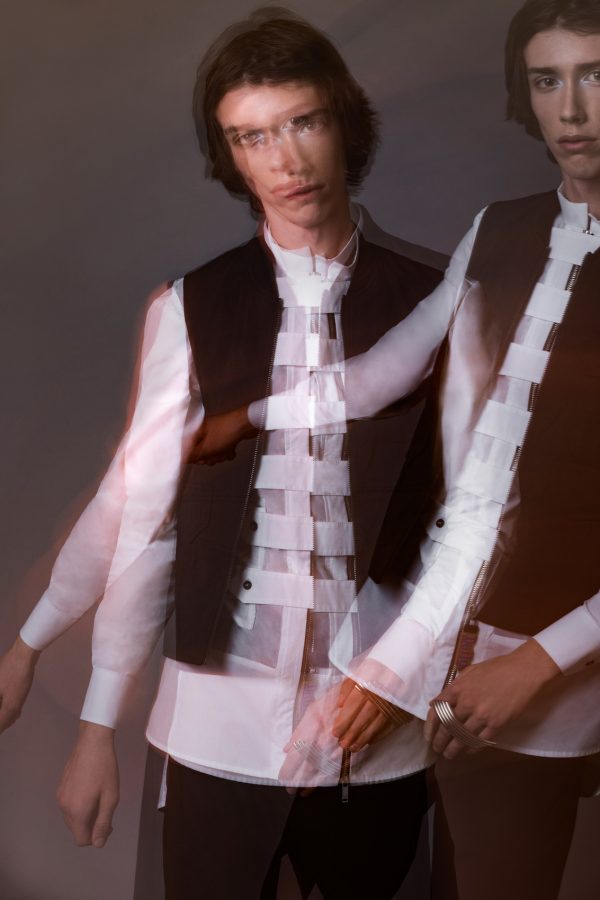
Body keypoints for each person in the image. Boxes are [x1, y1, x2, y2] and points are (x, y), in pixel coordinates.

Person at [0, 10, 444, 899]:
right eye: (253, 137)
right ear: (230, 157)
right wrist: (72, 693)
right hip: (213, 735)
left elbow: (470, 519)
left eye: (304, 122)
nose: (286, 161)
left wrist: (413, 675)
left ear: (344, 122)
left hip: (381, 739)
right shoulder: (190, 308)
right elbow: (141, 515)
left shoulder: (439, 300)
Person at [198, 2, 600, 897]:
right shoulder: (500, 226)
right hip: (460, 650)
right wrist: (250, 416)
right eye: (548, 79)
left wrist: (535, 663)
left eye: (596, 75)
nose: (571, 108)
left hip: (555, 666)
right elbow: (385, 370)